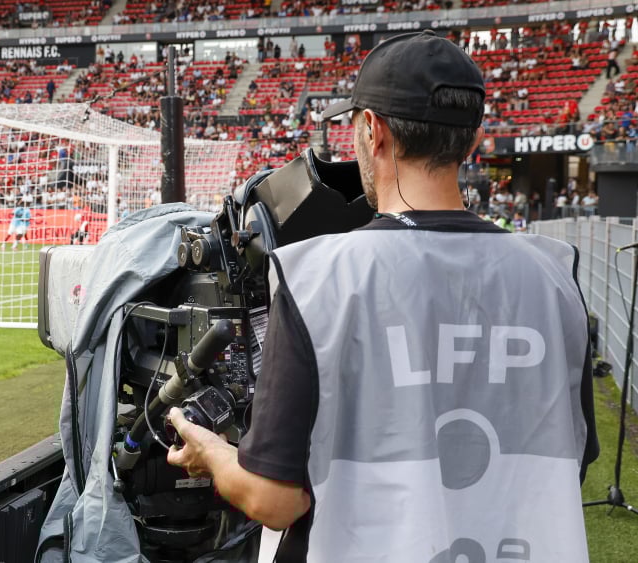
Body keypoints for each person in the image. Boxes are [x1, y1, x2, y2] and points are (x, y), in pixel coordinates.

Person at [166, 30, 598, 562]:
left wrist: (210, 452)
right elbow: (568, 461)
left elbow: (274, 500)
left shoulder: (317, 276)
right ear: (473, 139)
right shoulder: (555, 277)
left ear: (373, 131)